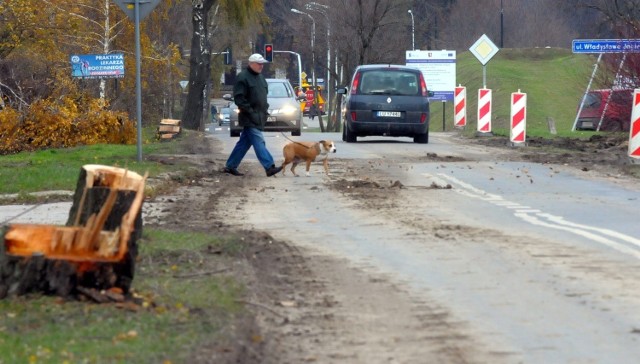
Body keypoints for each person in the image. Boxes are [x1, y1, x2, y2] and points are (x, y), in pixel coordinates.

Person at [223, 54, 282, 177]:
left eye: (262, 64)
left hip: (260, 116)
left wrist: (264, 110)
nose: (261, 66)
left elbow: (263, 96)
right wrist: (250, 112)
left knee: (244, 143)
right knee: (259, 141)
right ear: (251, 63)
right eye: (259, 63)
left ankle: (230, 166)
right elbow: (239, 99)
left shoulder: (261, 78)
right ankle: (269, 166)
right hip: (248, 117)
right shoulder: (243, 77)